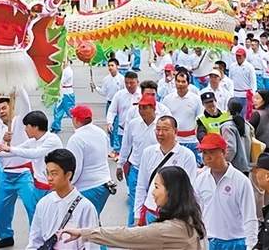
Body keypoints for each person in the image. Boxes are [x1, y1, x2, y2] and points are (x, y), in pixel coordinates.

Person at [62, 166, 206, 250]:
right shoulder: (191, 218)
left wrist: (84, 233)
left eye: (156, 187)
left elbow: (126, 235)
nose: (153, 192)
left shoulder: (169, 229)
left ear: (171, 191)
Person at [194, 133, 258, 249]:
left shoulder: (241, 181)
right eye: (204, 153)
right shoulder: (200, 180)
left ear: (223, 152)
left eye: (212, 152)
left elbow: (250, 217)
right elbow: (197, 213)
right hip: (209, 242)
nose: (207, 157)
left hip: (235, 242)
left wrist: (251, 245)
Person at [26, 149, 99, 250]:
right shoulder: (43, 203)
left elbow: (92, 245)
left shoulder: (86, 207)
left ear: (68, 175)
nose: (49, 178)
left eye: (54, 173)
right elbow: (35, 240)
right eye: (47, 173)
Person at [0, 97, 36, 249]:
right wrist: (3, 141)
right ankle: (6, 236)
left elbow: (25, 103)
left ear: (11, 108)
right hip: (6, 175)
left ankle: (36, 239)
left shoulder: (21, 121)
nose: (1, 111)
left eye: (4, 108)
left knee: (33, 208)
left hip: (24, 174)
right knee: (0, 210)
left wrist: (19, 83)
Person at [134, 116, 198, 225]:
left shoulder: (187, 155)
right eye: (158, 129)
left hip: (174, 216)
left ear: (175, 131)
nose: (160, 133)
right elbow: (141, 185)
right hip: (151, 212)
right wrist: (137, 214)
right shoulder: (148, 153)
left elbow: (190, 188)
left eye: (165, 129)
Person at [2, 110, 63, 202]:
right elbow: (15, 151)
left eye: (27, 126)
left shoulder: (52, 140)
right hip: (38, 186)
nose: (25, 130)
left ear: (35, 127)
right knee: (37, 214)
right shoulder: (33, 141)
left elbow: (34, 153)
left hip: (51, 188)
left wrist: (10, 149)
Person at [118, 94, 159, 226]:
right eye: (140, 107)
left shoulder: (161, 126)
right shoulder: (133, 124)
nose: (141, 111)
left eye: (145, 107)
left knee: (155, 204)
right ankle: (132, 231)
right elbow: (126, 145)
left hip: (156, 172)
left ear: (153, 108)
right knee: (135, 201)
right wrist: (120, 164)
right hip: (136, 169)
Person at [66, 105, 113, 215]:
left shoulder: (76, 139)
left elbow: (75, 168)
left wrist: (68, 185)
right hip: (104, 184)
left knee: (84, 223)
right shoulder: (100, 132)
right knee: (93, 218)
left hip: (87, 187)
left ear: (76, 120)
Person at [162, 71, 203, 164]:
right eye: (178, 81)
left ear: (188, 83)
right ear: (175, 82)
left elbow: (200, 119)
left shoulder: (196, 99)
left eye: (183, 81)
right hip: (173, 140)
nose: (180, 84)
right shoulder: (167, 99)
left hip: (191, 140)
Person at [92, 58, 125, 154]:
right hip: (109, 104)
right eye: (109, 66)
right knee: (110, 126)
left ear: (117, 66)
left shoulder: (122, 79)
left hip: (119, 105)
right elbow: (104, 92)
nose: (110, 68)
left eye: (112, 66)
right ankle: (112, 147)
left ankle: (117, 148)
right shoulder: (106, 79)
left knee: (116, 126)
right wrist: (96, 88)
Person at [106, 71, 141, 158]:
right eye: (126, 83)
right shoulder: (119, 95)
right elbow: (112, 111)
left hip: (139, 131)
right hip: (123, 131)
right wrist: (109, 122)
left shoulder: (143, 95)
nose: (129, 85)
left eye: (132, 83)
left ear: (137, 82)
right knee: (124, 156)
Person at [220, 98, 252, 175]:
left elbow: (231, 149)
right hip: (246, 165)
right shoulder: (246, 125)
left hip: (233, 168)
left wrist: (223, 163)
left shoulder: (227, 126)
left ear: (228, 109)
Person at [228, 48, 257, 119]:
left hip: (245, 95)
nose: (238, 58)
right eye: (237, 56)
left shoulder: (249, 67)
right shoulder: (232, 66)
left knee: (243, 115)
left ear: (244, 56)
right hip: (234, 93)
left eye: (240, 56)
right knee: (233, 114)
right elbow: (230, 79)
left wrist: (253, 94)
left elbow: (253, 82)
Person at [51, 59, 75, 133]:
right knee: (57, 109)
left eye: (64, 61)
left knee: (71, 112)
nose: (63, 63)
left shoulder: (68, 71)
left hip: (67, 94)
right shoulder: (64, 69)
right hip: (62, 92)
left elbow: (61, 81)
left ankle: (80, 125)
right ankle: (56, 126)